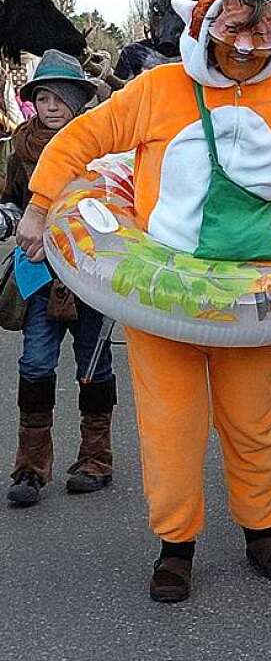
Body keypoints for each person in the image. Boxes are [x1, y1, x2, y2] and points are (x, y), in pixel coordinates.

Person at [16, 0, 271, 602]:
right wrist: (40, 208)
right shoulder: (156, 89)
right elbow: (83, 141)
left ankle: (262, 530)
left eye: (263, 35)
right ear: (203, 31)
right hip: (161, 292)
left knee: (250, 422)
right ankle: (176, 545)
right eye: (235, 33)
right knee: (172, 425)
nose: (249, 48)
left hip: (251, 297)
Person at [1, 50, 116, 508]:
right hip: (37, 277)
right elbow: (11, 202)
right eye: (42, 97)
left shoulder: (99, 148)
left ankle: (96, 459)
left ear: (76, 101)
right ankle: (30, 469)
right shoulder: (17, 148)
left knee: (93, 366)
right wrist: (6, 220)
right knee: (34, 365)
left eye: (58, 98)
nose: (49, 106)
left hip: (91, 276)